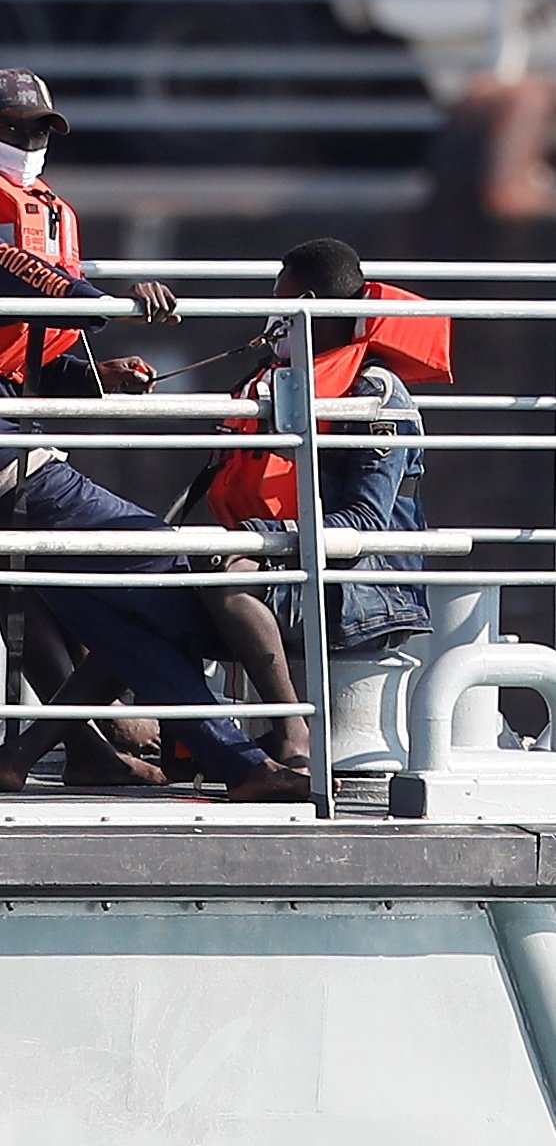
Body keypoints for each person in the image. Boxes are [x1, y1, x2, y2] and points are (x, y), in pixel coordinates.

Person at [0, 70, 305, 802]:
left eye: (42, 130)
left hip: (11, 445)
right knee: (171, 566)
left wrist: (98, 371)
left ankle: (241, 766)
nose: (29, 143)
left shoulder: (31, 207)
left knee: (121, 628)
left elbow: (28, 357)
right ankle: (265, 738)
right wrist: (101, 299)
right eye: (14, 128)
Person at [193, 239, 448, 761]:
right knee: (140, 586)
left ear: (307, 305)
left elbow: (365, 521)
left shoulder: (374, 394)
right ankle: (95, 742)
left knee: (223, 579)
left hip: (364, 591)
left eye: (279, 300)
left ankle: (293, 735)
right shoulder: (279, 382)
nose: (271, 316)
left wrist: (259, 542)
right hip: (289, 563)